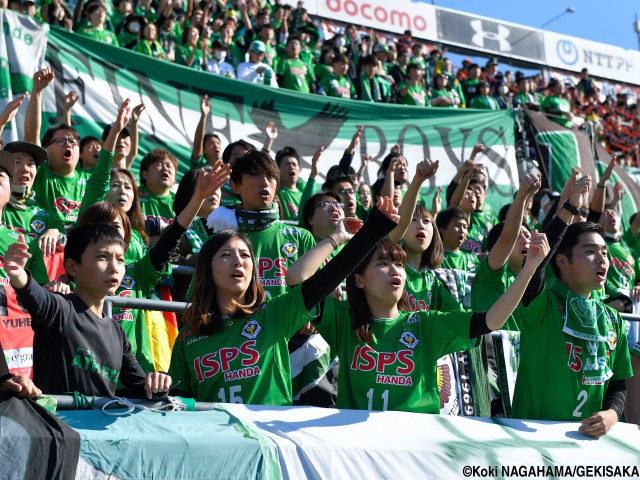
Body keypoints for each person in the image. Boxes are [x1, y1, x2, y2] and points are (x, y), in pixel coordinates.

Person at [285, 210, 549, 413]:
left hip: (418, 450)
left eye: (399, 264)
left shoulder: (425, 323)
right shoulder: (343, 320)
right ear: (360, 280)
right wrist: (338, 237)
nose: (395, 271)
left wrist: (529, 269)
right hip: (359, 451)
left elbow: (491, 320)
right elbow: (297, 277)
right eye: (383, 264)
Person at [169, 198, 399, 404]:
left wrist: (368, 231)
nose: (238, 262)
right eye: (226, 255)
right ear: (207, 269)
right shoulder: (187, 339)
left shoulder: (274, 314)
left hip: (271, 444)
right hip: (218, 445)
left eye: (245, 255)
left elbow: (329, 276)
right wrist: (157, 385)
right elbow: (179, 404)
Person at [5, 224, 171, 399]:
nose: (114, 267)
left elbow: (142, 389)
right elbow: (36, 297)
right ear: (72, 267)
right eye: (102, 257)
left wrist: (157, 385)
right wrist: (19, 275)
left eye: (120, 260)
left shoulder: (118, 332)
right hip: (54, 425)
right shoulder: (60, 310)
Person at [511, 222, 633, 437]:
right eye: (590, 251)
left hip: (585, 445)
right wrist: (569, 209)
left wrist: (612, 414)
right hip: (531, 440)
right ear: (562, 261)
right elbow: (534, 271)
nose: (601, 258)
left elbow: (618, 381)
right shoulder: (543, 305)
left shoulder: (613, 318)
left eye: (604, 252)